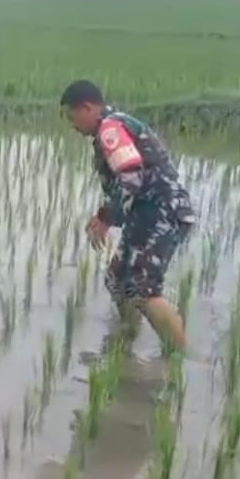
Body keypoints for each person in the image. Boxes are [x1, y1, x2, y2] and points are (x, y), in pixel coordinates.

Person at [60, 79, 196, 355]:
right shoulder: (110, 126)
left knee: (144, 289)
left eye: (71, 117)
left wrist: (106, 216)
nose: (72, 126)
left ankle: (180, 359)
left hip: (162, 211)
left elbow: (131, 174)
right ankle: (127, 337)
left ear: (87, 108)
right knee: (118, 278)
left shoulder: (110, 128)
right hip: (144, 214)